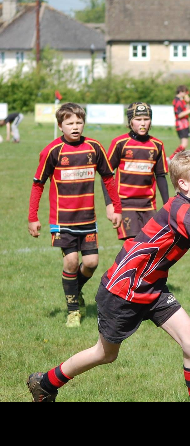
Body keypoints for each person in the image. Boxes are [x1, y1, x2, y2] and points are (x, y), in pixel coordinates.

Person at [26, 149, 190, 403]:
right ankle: (45, 382)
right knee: (105, 353)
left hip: (152, 288)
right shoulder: (181, 210)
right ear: (183, 183)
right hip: (123, 290)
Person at [28, 103, 123, 328]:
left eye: (79, 122)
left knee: (91, 263)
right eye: (69, 123)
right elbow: (37, 184)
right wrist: (33, 217)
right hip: (62, 220)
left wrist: (116, 207)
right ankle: (73, 310)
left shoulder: (94, 147)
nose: (75, 127)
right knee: (71, 262)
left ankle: (73, 290)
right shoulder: (52, 151)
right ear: (60, 126)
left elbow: (108, 178)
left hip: (87, 219)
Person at [102, 103, 170, 241]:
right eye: (138, 119)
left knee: (149, 246)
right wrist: (110, 204)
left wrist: (168, 205)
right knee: (132, 245)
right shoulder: (120, 143)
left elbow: (161, 176)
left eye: (146, 119)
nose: (143, 123)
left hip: (148, 205)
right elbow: (106, 175)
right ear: (130, 121)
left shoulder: (157, 145)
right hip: (124, 204)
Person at [170, 86, 190, 160]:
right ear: (181, 92)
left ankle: (179, 159)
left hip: (184, 124)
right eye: (185, 92)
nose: (186, 94)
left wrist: (188, 102)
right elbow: (180, 115)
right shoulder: (177, 101)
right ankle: (172, 158)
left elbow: (185, 111)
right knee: (184, 144)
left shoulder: (181, 100)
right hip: (181, 124)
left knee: (184, 144)